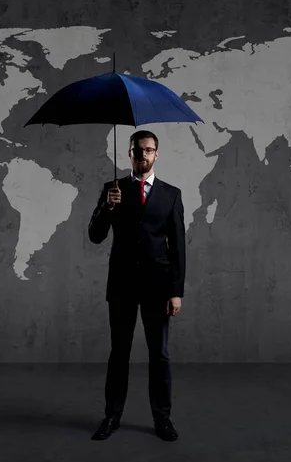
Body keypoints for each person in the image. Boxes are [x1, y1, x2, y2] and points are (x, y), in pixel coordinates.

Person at [88, 130, 186, 442]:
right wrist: (108, 207)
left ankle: (162, 419)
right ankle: (112, 417)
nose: (142, 155)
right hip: (122, 286)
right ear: (129, 153)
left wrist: (176, 291)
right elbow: (95, 235)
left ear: (156, 154)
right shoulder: (113, 190)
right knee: (119, 353)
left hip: (158, 287)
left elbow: (178, 247)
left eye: (148, 150)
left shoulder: (171, 195)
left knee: (159, 355)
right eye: (137, 150)